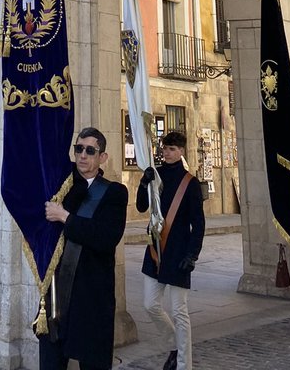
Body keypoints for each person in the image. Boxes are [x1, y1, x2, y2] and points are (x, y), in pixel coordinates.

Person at [40, 126, 128, 370]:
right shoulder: (62, 186)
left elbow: (105, 237)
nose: (83, 155)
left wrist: (65, 217)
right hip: (58, 294)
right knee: (50, 361)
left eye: (90, 150)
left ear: (103, 157)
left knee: (92, 363)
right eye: (79, 149)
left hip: (91, 295)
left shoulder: (114, 193)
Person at [136, 130, 205, 370]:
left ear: (182, 151)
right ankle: (174, 346)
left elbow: (198, 223)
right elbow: (141, 206)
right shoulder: (155, 175)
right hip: (155, 250)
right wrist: (143, 183)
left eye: (172, 149)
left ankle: (184, 365)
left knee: (179, 312)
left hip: (178, 253)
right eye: (165, 148)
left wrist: (192, 254)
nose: (167, 153)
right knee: (150, 305)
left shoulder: (191, 183)